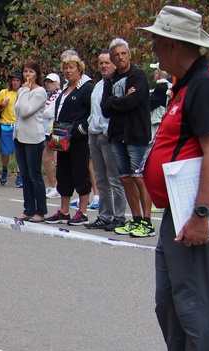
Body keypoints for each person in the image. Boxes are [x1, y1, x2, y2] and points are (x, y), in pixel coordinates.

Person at [136, 5, 209, 351]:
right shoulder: (184, 87)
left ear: (174, 44)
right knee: (168, 303)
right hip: (175, 212)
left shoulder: (204, 85)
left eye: (157, 41)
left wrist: (201, 214)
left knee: (195, 305)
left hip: (193, 213)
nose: (153, 49)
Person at [101, 38, 154, 238]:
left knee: (139, 177)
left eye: (124, 53)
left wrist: (116, 101)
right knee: (125, 179)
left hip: (136, 134)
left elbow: (134, 102)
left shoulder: (138, 75)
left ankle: (147, 222)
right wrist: (120, 100)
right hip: (117, 135)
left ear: (129, 55)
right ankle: (136, 219)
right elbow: (105, 109)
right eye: (116, 55)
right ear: (112, 58)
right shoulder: (111, 79)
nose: (120, 57)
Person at [44, 53, 94, 225]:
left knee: (80, 171)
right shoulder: (65, 89)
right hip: (61, 136)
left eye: (71, 67)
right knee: (63, 172)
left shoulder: (87, 88)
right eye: (65, 68)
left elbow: (92, 112)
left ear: (79, 69)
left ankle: (82, 211)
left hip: (78, 138)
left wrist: (81, 129)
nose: (68, 71)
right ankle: (64, 211)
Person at [85, 51, 125, 231]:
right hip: (93, 134)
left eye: (107, 63)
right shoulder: (98, 85)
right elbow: (94, 111)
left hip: (108, 135)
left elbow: (118, 109)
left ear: (114, 64)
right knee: (100, 179)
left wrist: (107, 131)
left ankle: (119, 215)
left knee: (114, 178)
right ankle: (105, 215)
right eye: (100, 63)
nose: (103, 66)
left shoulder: (117, 84)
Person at [13, 60, 48, 222]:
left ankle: (40, 210)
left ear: (37, 74)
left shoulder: (39, 92)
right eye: (25, 71)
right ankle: (28, 209)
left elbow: (26, 111)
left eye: (31, 72)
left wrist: (25, 91)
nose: (27, 75)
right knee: (25, 175)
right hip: (20, 136)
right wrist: (23, 91)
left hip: (34, 138)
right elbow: (17, 109)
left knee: (35, 175)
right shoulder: (22, 90)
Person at [0, 71, 23, 187]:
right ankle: (4, 170)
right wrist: (2, 105)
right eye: (14, 80)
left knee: (19, 152)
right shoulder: (4, 93)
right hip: (6, 125)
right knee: (5, 152)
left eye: (17, 80)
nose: (15, 83)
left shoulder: (24, 93)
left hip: (19, 125)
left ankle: (19, 176)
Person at [42, 73, 62, 198]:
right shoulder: (45, 95)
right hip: (44, 130)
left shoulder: (59, 95)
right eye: (47, 82)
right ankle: (50, 185)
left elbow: (49, 112)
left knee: (57, 158)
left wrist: (41, 111)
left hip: (57, 129)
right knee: (44, 157)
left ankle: (59, 187)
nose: (49, 84)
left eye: (52, 82)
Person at [149, 63, 171, 137]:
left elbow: (149, 103)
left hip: (159, 120)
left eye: (155, 71)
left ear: (160, 73)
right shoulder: (167, 86)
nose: (154, 74)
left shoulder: (162, 87)